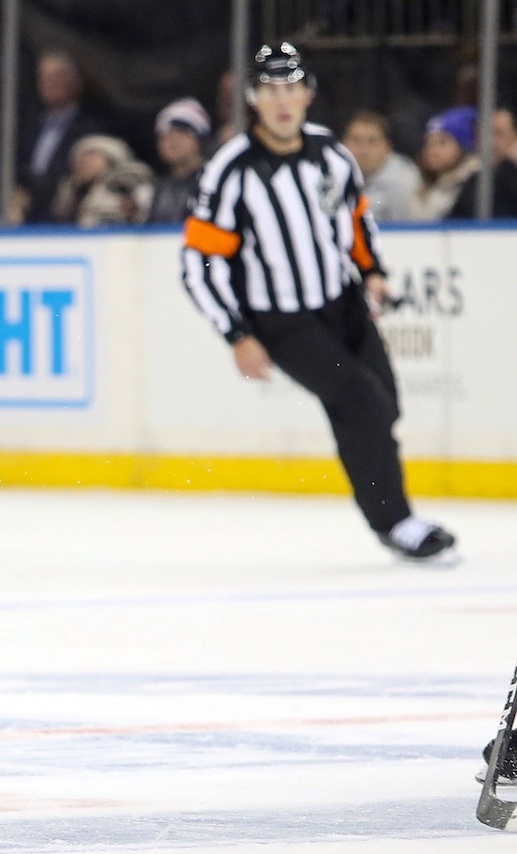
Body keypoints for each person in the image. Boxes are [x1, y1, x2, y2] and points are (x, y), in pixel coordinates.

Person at [180, 42, 456, 563]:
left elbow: (354, 219)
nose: (282, 101)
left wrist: (371, 271)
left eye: (291, 88)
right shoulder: (232, 170)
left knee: (382, 406)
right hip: (283, 321)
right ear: (253, 100)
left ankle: (392, 518)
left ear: (308, 95)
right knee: (363, 404)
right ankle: (396, 523)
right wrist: (237, 333)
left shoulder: (331, 152)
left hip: (343, 303)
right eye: (270, 90)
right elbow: (200, 261)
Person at [19, 49, 108, 223]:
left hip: (70, 218)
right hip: (29, 219)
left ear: (76, 83)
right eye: (45, 77)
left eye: (58, 76)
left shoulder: (93, 127)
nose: (50, 82)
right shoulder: (28, 126)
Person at [50, 134, 152, 227]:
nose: (85, 164)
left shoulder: (128, 182)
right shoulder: (73, 190)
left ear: (110, 159)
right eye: (81, 160)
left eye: (92, 158)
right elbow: (59, 218)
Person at [341, 110, 418, 223]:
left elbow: (408, 232)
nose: (363, 148)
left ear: (387, 147)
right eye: (355, 141)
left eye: (372, 141)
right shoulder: (332, 175)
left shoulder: (404, 182)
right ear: (343, 144)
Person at [407, 107, 480, 222]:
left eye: (442, 143)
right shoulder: (420, 184)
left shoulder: (475, 183)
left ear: (463, 147)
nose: (432, 150)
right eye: (428, 143)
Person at [147, 98, 210, 225]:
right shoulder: (159, 187)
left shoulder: (214, 182)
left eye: (182, 131)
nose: (172, 138)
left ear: (199, 139)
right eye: (164, 133)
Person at [450, 107, 517, 219]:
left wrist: (508, 165)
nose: (491, 141)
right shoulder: (469, 179)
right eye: (485, 134)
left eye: (499, 134)